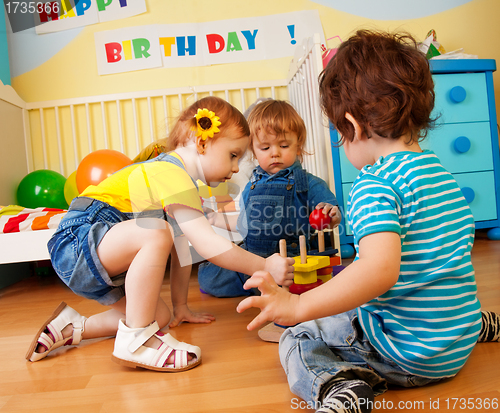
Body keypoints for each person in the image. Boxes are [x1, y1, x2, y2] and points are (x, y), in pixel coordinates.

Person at [236, 30, 499, 413]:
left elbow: (378, 271)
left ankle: (337, 388)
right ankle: (481, 324)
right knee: (364, 300)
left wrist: (297, 308)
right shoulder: (439, 173)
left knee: (298, 336)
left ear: (352, 127)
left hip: (408, 355)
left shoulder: (374, 184)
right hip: (454, 337)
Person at [26, 96, 295, 372]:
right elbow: (206, 244)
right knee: (156, 233)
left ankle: (73, 327)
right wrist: (263, 265)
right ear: (202, 143)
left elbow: (183, 250)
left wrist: (181, 306)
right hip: (79, 241)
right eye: (233, 155)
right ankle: (137, 342)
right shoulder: (170, 171)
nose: (237, 167)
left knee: (159, 316)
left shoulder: (179, 189)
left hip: (98, 257)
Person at [198, 99, 341, 297]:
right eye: (265, 148)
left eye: (283, 145)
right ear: (254, 152)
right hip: (252, 264)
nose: (274, 153)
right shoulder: (251, 186)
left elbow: (331, 214)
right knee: (209, 279)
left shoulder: (308, 183)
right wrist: (214, 218)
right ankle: (254, 285)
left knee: (309, 291)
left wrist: (330, 214)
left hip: (291, 265)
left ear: (298, 146)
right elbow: (244, 223)